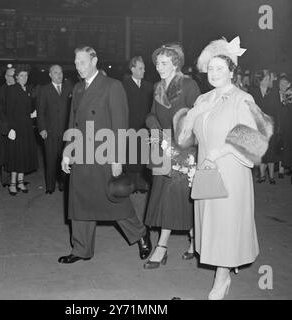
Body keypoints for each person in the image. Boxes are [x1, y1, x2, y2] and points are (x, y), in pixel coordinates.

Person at [176, 36, 273, 299]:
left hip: (231, 171)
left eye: (221, 68)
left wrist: (222, 150)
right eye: (211, 67)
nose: (214, 73)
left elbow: (257, 140)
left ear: (232, 71)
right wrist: (193, 115)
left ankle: (222, 278)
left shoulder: (242, 99)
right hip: (207, 171)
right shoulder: (203, 98)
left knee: (227, 225)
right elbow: (185, 139)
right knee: (211, 225)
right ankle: (223, 271)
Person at [58, 46, 152, 264]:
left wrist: (117, 158)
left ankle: (140, 234)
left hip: (104, 152)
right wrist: (67, 152)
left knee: (113, 199)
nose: (78, 67)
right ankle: (81, 249)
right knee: (79, 201)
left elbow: (120, 124)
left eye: (82, 62)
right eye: (76, 63)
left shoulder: (112, 86)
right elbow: (73, 123)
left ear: (94, 61)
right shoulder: (79, 89)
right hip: (82, 152)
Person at [143, 43, 201, 269]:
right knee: (172, 197)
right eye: (157, 63)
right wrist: (152, 124)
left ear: (176, 64)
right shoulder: (157, 86)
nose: (159, 67)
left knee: (172, 196)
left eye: (164, 63)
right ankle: (195, 237)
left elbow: (197, 116)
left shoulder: (189, 84)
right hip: (161, 146)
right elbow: (151, 113)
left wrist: (181, 143)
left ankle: (162, 247)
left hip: (182, 149)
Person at [37, 64, 72, 194]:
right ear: (50, 74)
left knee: (65, 158)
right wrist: (42, 128)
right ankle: (50, 186)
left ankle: (63, 184)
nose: (59, 75)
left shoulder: (69, 88)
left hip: (66, 132)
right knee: (50, 159)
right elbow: (40, 111)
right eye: (56, 73)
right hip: (50, 131)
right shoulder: (44, 90)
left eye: (61, 72)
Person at [4, 65, 38, 195]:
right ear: (16, 77)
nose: (25, 78)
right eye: (22, 76)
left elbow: (26, 109)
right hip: (16, 128)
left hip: (27, 126)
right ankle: (12, 184)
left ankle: (21, 182)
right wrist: (10, 129)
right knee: (16, 156)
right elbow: (9, 111)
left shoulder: (27, 90)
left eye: (26, 76)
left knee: (23, 155)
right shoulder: (12, 89)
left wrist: (32, 114)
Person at [122, 56, 153, 193]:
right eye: (140, 68)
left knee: (143, 156)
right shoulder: (124, 86)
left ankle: (141, 184)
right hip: (130, 127)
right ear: (132, 69)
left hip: (145, 128)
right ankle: (130, 185)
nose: (143, 71)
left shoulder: (149, 87)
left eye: (144, 68)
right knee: (130, 157)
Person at [250, 70, 279, 184]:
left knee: (271, 151)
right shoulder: (253, 92)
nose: (268, 81)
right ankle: (262, 175)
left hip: (270, 126)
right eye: (266, 79)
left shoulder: (273, 92)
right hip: (257, 126)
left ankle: (271, 176)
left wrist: (276, 126)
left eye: (268, 79)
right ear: (260, 81)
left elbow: (276, 111)